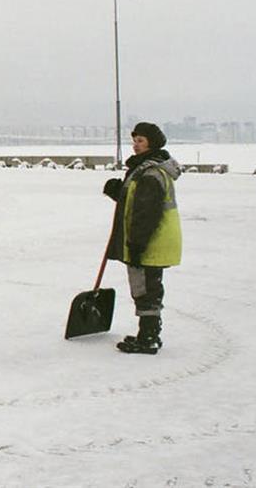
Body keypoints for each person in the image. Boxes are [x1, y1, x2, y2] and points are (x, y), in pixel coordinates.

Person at [101, 121, 183, 355]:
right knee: (149, 286)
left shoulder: (150, 173)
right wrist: (119, 191)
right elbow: (137, 203)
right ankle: (149, 333)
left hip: (150, 241)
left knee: (145, 288)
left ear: (152, 144)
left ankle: (148, 338)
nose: (135, 145)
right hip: (153, 240)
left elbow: (146, 213)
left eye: (141, 141)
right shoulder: (147, 169)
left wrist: (137, 244)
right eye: (134, 140)